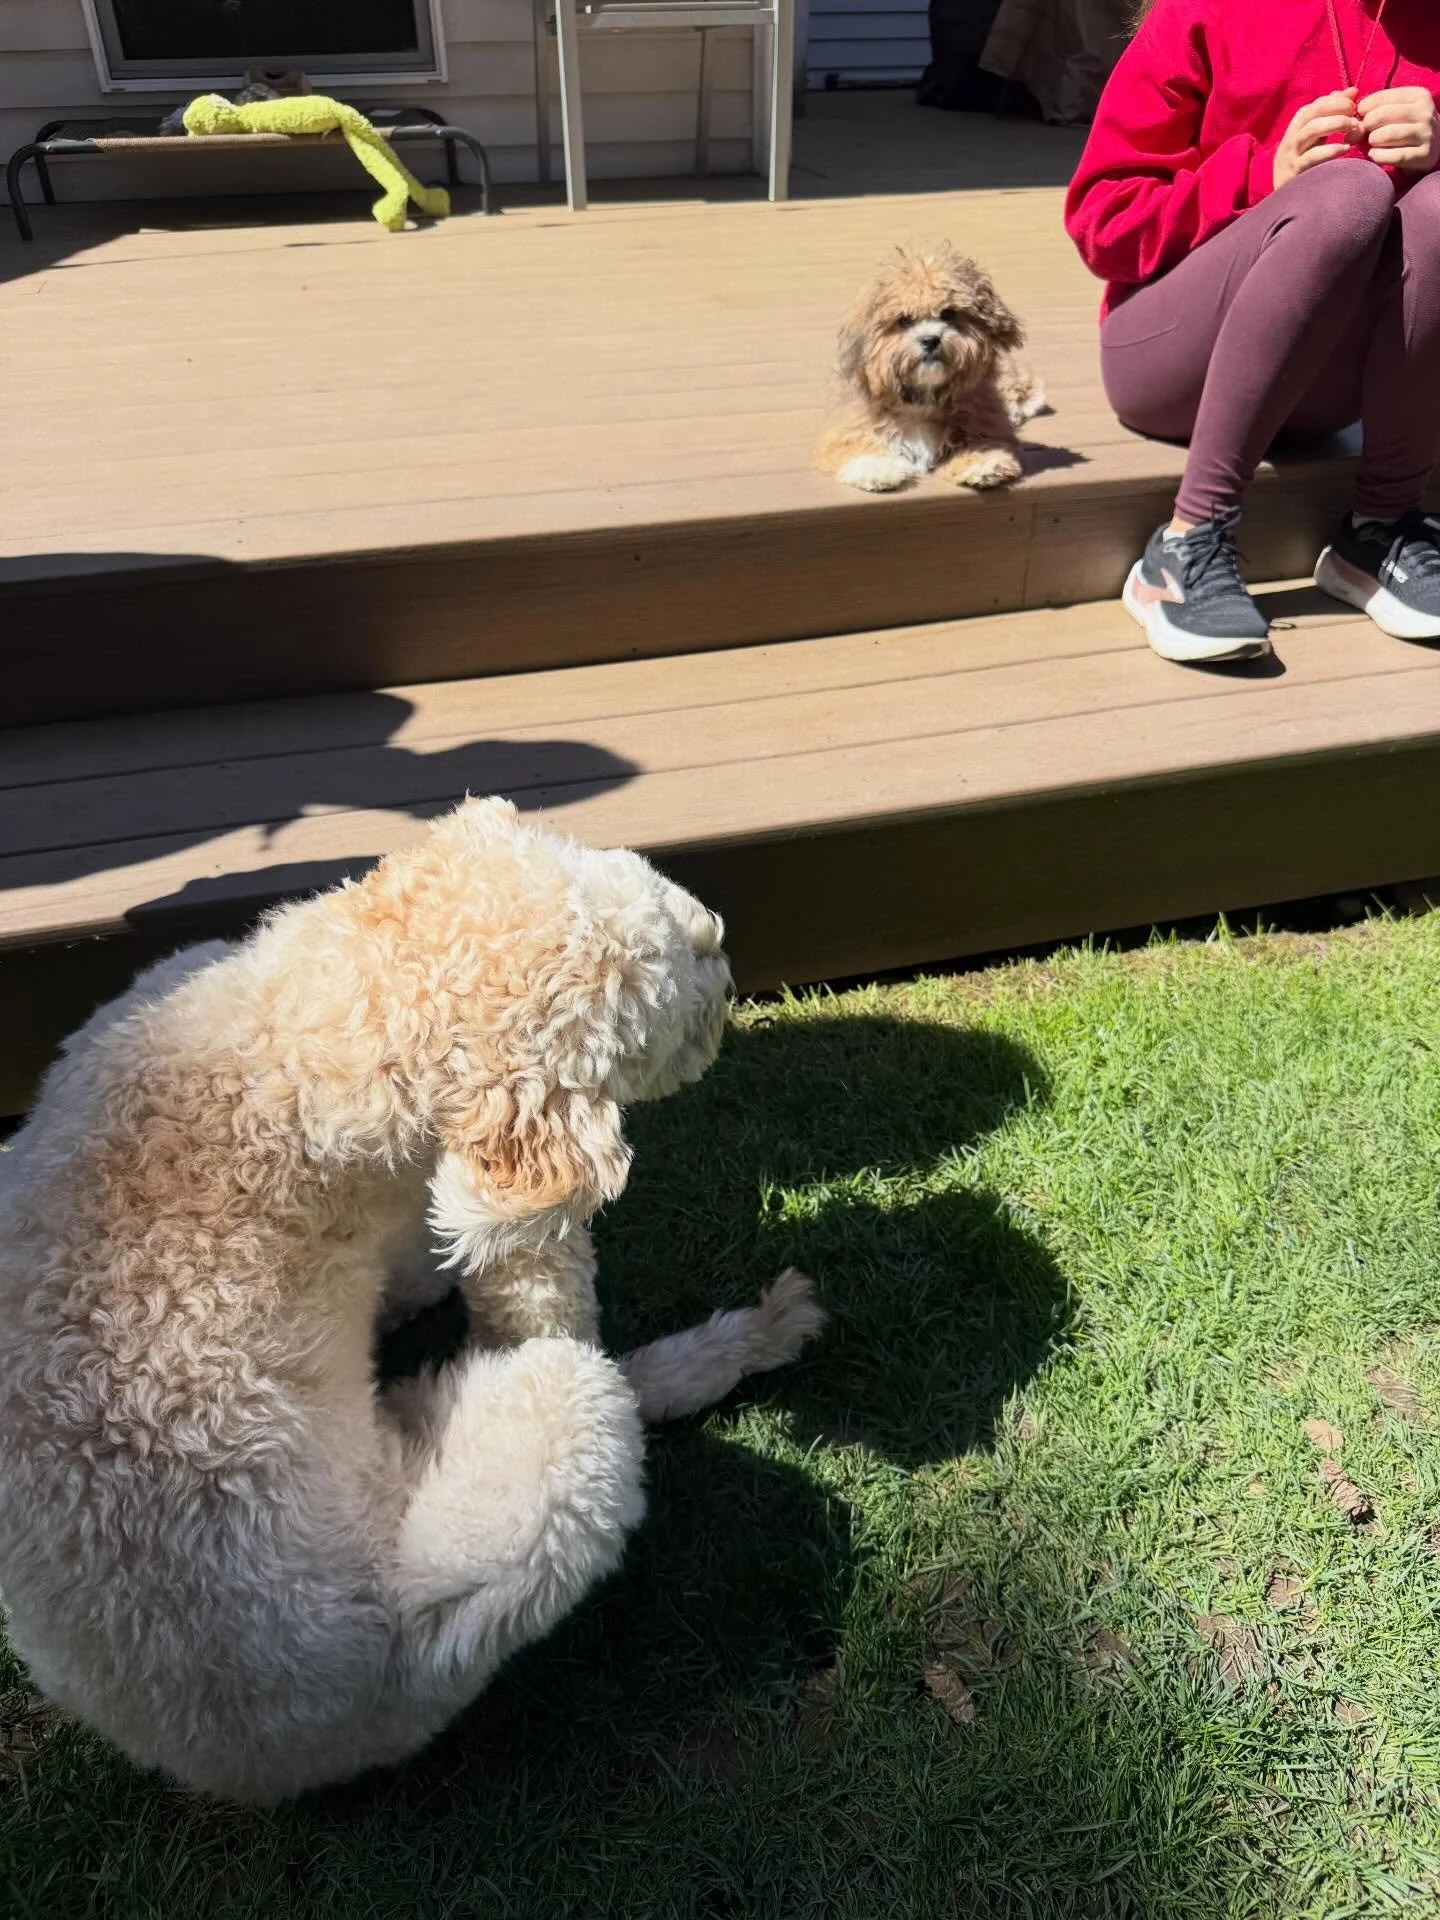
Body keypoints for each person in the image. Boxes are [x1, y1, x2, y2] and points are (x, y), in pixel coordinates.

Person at [1065, 0, 1440, 663]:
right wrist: (1259, 175)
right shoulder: (1205, 10)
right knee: (1345, 194)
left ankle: (1382, 528)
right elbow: (1102, 222)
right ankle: (1188, 542)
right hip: (1171, 362)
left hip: (1329, 383)